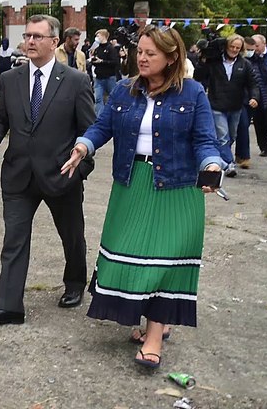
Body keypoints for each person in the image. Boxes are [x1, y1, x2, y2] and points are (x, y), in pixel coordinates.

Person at [58, 24, 223, 370]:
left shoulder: (193, 93)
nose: (142, 58)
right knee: (132, 254)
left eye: (151, 53)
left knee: (165, 262)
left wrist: (211, 166)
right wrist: (82, 146)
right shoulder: (124, 89)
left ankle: (154, 336)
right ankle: (149, 318)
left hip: (177, 189)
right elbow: (102, 127)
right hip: (132, 184)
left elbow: (205, 140)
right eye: (140, 52)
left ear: (172, 57)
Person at [0, 15, 96, 326]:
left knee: (72, 236)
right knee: (14, 240)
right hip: (18, 175)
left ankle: (74, 283)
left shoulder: (75, 81)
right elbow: (1, 117)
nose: (30, 41)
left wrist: (79, 169)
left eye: (37, 36)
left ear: (54, 42)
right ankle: (9, 307)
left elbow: (90, 131)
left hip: (61, 175)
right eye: (27, 35)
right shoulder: (10, 79)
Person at [192, 34, 259, 178]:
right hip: (216, 104)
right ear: (226, 47)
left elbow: (253, 83)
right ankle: (229, 164)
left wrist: (254, 97)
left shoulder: (244, 64)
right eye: (232, 47)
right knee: (222, 136)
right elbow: (198, 76)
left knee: (231, 136)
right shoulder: (214, 62)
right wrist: (203, 60)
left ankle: (220, 159)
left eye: (237, 48)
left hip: (236, 105)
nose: (234, 50)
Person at [232, 53, 267, 172]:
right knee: (229, 132)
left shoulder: (247, 63)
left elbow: (255, 82)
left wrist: (255, 97)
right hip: (229, 99)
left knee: (243, 126)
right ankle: (232, 156)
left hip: (245, 100)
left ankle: (244, 156)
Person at [89, 28, 121, 115]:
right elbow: (95, 62)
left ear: (103, 36)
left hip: (110, 77)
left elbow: (115, 62)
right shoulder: (97, 49)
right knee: (98, 99)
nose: (96, 38)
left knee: (112, 98)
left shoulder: (111, 49)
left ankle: (114, 114)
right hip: (98, 78)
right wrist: (94, 61)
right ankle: (99, 117)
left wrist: (102, 61)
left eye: (98, 36)